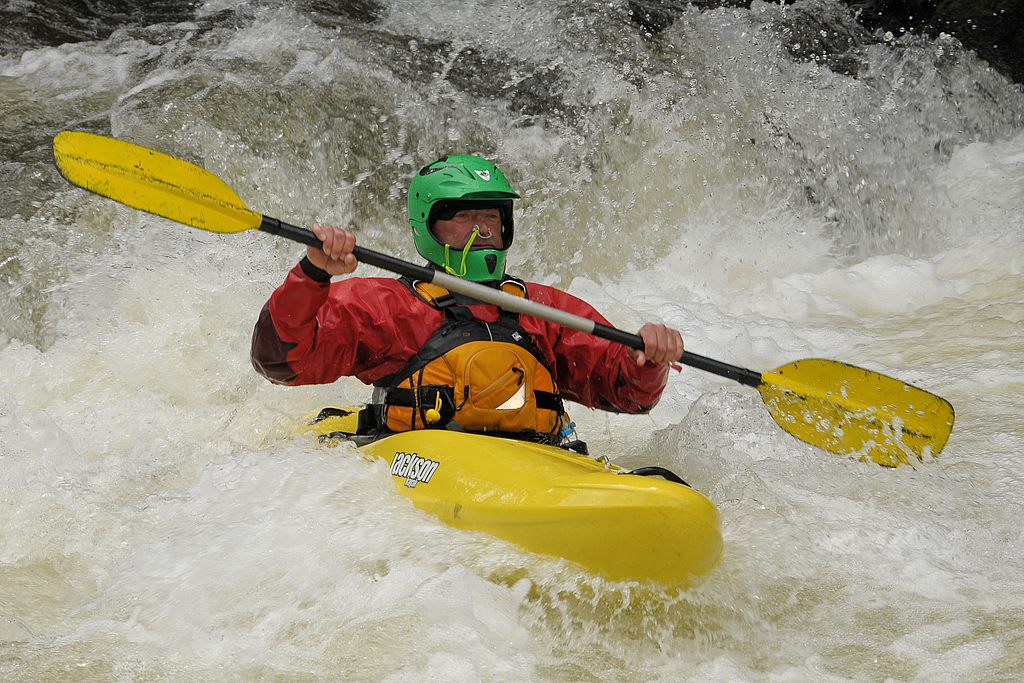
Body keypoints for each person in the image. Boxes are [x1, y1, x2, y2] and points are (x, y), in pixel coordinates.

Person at [251, 154, 684, 445]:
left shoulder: (542, 309)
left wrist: (647, 361)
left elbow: (627, 392)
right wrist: (313, 274)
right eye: (464, 217)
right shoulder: (389, 305)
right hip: (429, 462)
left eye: (491, 216)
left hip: (536, 462)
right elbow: (280, 360)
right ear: (430, 227)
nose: (483, 230)